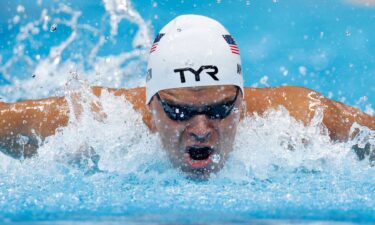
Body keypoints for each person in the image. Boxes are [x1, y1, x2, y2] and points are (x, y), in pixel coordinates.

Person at [0, 15, 374, 178]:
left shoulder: (304, 119)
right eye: (178, 111)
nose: (200, 129)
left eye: (219, 109)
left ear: (242, 102)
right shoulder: (91, 120)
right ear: (151, 105)